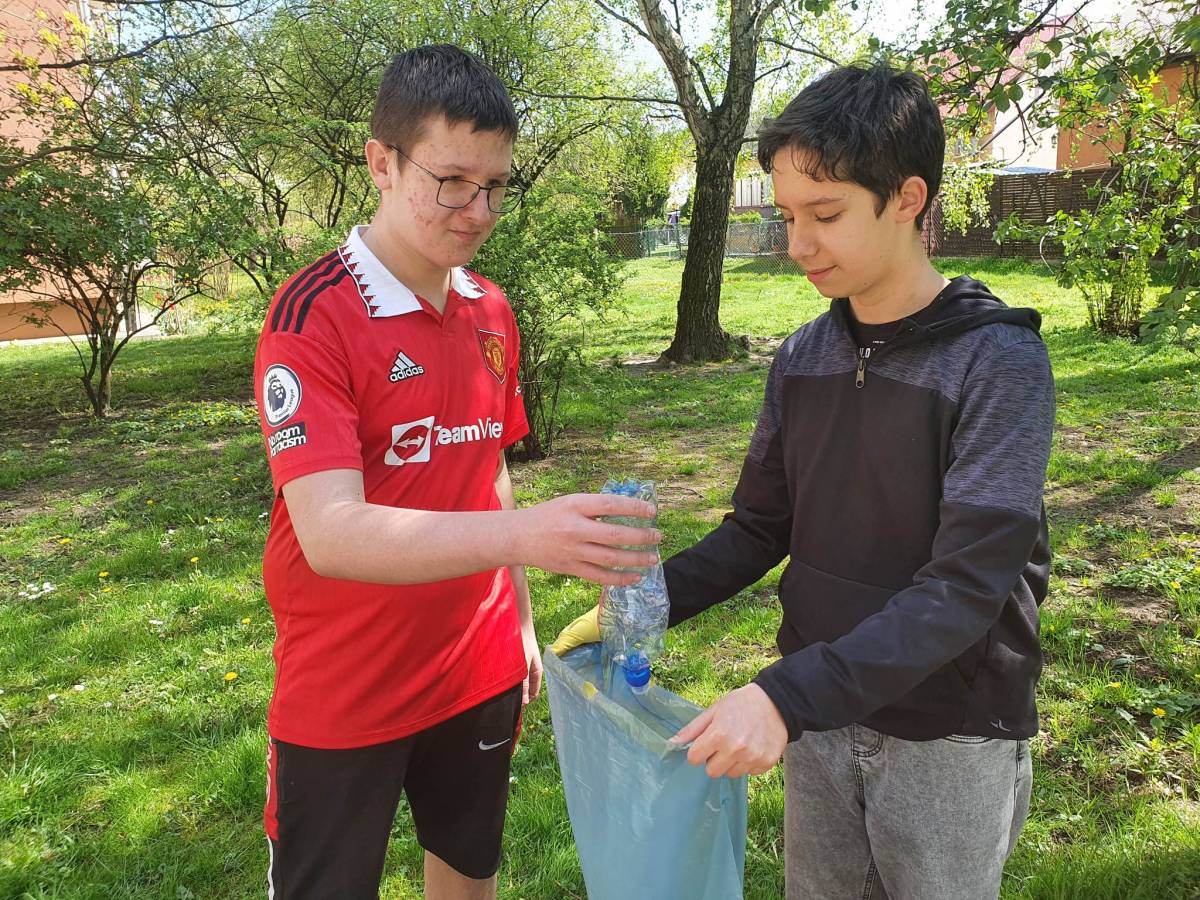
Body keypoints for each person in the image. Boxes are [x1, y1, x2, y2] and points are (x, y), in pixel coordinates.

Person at [552, 63, 1054, 899]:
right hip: (820, 720)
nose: (797, 245)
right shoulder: (805, 356)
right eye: (787, 216)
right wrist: (643, 601)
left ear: (907, 198)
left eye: (825, 215)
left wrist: (781, 699)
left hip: (950, 733)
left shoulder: (998, 362)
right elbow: (760, 527)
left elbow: (966, 589)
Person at [253, 45, 659, 900]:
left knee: (470, 875)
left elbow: (488, 472)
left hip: (475, 669)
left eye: (497, 186)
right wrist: (529, 538)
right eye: (451, 181)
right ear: (382, 162)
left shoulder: (491, 311)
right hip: (345, 687)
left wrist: (513, 622)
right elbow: (331, 533)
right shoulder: (310, 317)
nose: (477, 210)